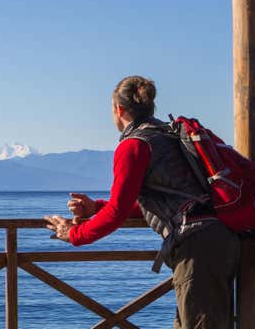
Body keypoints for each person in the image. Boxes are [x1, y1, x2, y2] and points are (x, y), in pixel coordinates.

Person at [44, 75, 240, 329]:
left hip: (197, 248)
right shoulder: (168, 135)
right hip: (218, 239)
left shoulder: (134, 146)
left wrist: (74, 234)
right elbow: (156, 202)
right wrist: (96, 208)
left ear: (119, 110)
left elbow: (118, 211)